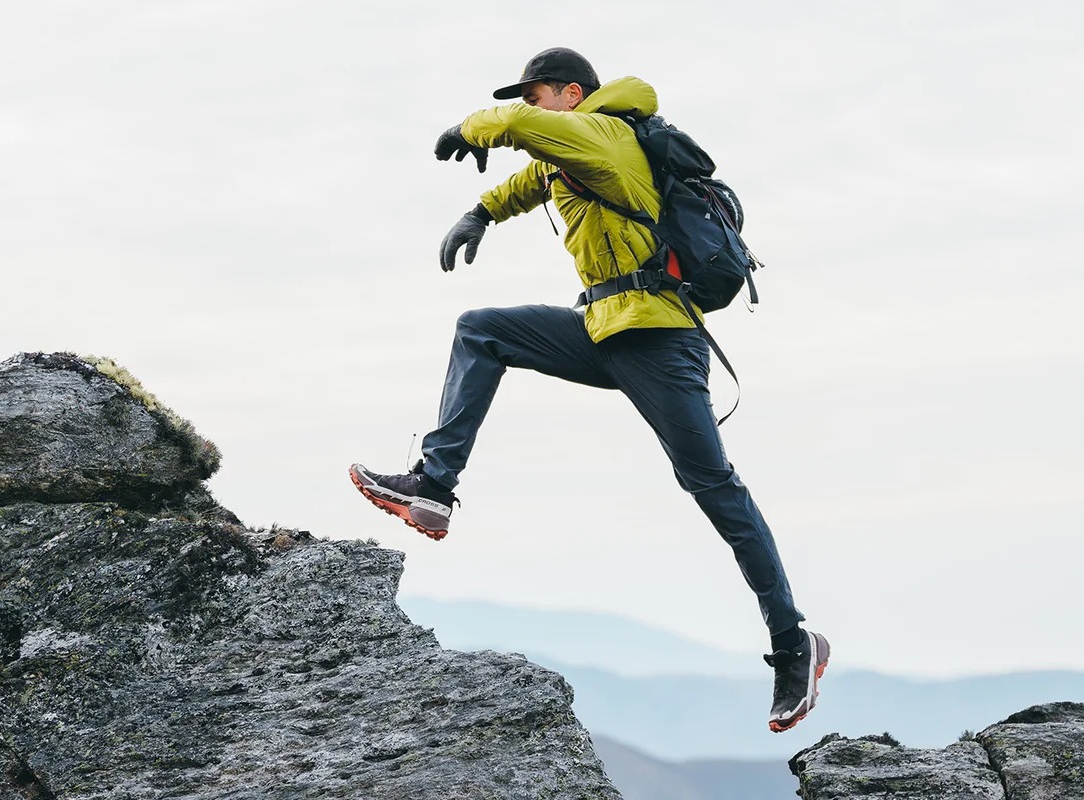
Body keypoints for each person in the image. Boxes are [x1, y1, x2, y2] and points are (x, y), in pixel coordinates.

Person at [346, 48, 829, 733]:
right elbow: (533, 178)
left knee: (713, 485)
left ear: (572, 93)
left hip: (660, 340)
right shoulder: (576, 150)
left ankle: (792, 642)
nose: (534, 104)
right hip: (603, 328)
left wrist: (469, 128)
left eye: (539, 94)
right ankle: (434, 485)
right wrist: (481, 213)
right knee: (482, 330)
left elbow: (515, 128)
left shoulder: (605, 134)